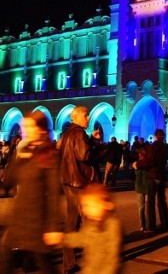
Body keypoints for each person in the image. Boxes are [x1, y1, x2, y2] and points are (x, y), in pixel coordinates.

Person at [0, 110, 61, 274]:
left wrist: (52, 227)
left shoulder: (49, 154)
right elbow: (7, 182)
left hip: (37, 222)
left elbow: (54, 193)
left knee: (47, 266)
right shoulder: (26, 152)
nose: (23, 130)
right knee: (5, 263)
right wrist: (15, 153)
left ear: (39, 129)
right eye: (22, 127)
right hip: (18, 219)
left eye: (27, 126)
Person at [44, 184, 122, 274]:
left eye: (90, 206)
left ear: (105, 205)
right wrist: (62, 238)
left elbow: (112, 260)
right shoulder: (91, 224)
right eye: (84, 206)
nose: (85, 210)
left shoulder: (113, 226)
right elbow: (81, 238)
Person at [59, 105, 97, 274]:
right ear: (77, 117)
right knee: (89, 223)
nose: (88, 118)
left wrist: (90, 140)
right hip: (80, 183)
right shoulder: (79, 133)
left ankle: (69, 263)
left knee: (71, 223)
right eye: (86, 115)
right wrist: (94, 145)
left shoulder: (67, 133)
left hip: (68, 182)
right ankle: (92, 261)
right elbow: (84, 155)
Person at [136, 128, 168, 233]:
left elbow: (149, 161)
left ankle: (151, 226)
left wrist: (137, 164)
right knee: (162, 201)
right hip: (162, 176)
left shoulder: (152, 147)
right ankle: (166, 225)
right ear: (163, 136)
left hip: (153, 176)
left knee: (151, 202)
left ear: (155, 136)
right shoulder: (166, 148)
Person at [132, 147, 149, 232]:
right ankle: (149, 224)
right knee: (149, 206)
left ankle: (142, 225)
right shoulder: (149, 163)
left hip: (139, 186)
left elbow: (135, 175)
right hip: (148, 186)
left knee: (141, 207)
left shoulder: (136, 164)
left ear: (139, 154)